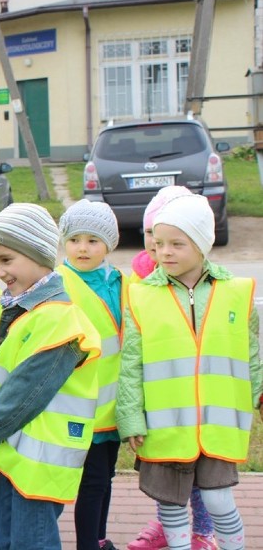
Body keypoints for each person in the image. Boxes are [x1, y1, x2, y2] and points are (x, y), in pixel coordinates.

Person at [116, 194, 262, 550]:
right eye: (159, 243)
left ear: (201, 245)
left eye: (177, 244)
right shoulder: (141, 296)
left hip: (218, 423)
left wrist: (260, 394)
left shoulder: (236, 294)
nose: (164, 252)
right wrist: (131, 416)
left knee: (218, 502)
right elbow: (131, 364)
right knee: (169, 503)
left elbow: (252, 354)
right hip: (164, 426)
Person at [0, 203, 101, 550]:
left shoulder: (59, 319)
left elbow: (29, 387)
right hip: (18, 453)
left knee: (32, 542)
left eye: (6, 260)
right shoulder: (24, 308)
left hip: (41, 460)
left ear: (39, 254)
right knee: (11, 539)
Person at [127, 185, 218, 550]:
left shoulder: (194, 276)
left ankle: (205, 530)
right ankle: (168, 524)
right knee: (165, 469)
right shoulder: (140, 280)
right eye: (149, 233)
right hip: (159, 394)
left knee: (201, 473)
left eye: (163, 235)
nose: (155, 243)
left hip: (198, 393)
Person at [57, 200, 125, 550]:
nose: (82, 248)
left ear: (108, 245)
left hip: (111, 405)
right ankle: (86, 543)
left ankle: (97, 539)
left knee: (104, 478)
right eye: (75, 239)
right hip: (75, 402)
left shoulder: (119, 282)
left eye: (93, 240)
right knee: (84, 481)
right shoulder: (59, 284)